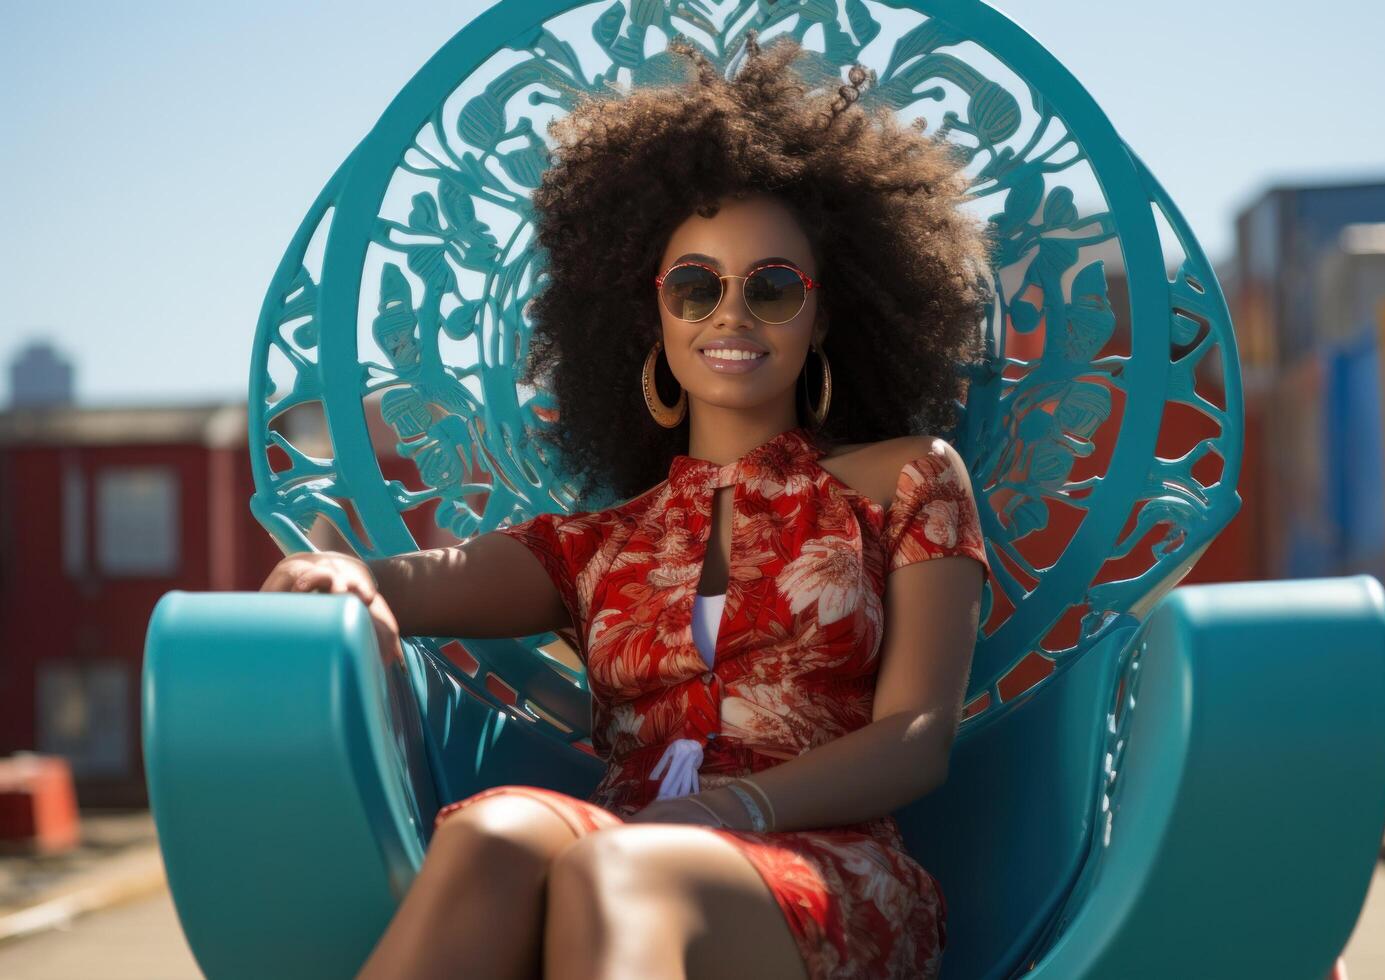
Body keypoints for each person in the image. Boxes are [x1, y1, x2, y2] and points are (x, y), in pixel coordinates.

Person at [262, 32, 993, 980]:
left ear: (825, 316)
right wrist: (347, 573)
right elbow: (412, 583)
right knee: (493, 834)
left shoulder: (905, 480)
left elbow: (917, 738)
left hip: (823, 865)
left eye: (773, 288)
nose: (730, 314)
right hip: (630, 838)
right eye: (696, 286)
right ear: (650, 316)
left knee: (616, 868)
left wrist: (733, 809)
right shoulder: (596, 548)